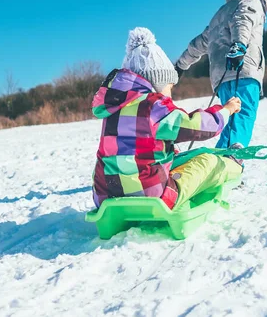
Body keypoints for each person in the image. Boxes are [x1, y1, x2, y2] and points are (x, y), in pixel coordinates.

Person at [91, 27, 243, 210]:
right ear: (156, 83)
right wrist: (225, 110)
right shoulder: (154, 107)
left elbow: (136, 148)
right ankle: (233, 164)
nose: (170, 94)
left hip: (106, 197)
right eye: (169, 87)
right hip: (153, 196)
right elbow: (199, 126)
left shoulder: (112, 110)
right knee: (207, 162)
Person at [175, 0, 267, 149]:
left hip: (221, 77)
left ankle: (224, 160)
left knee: (231, 115)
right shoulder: (251, 2)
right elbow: (242, 21)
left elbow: (200, 43)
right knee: (244, 114)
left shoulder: (219, 14)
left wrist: (181, 64)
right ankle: (231, 153)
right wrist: (239, 46)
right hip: (242, 67)